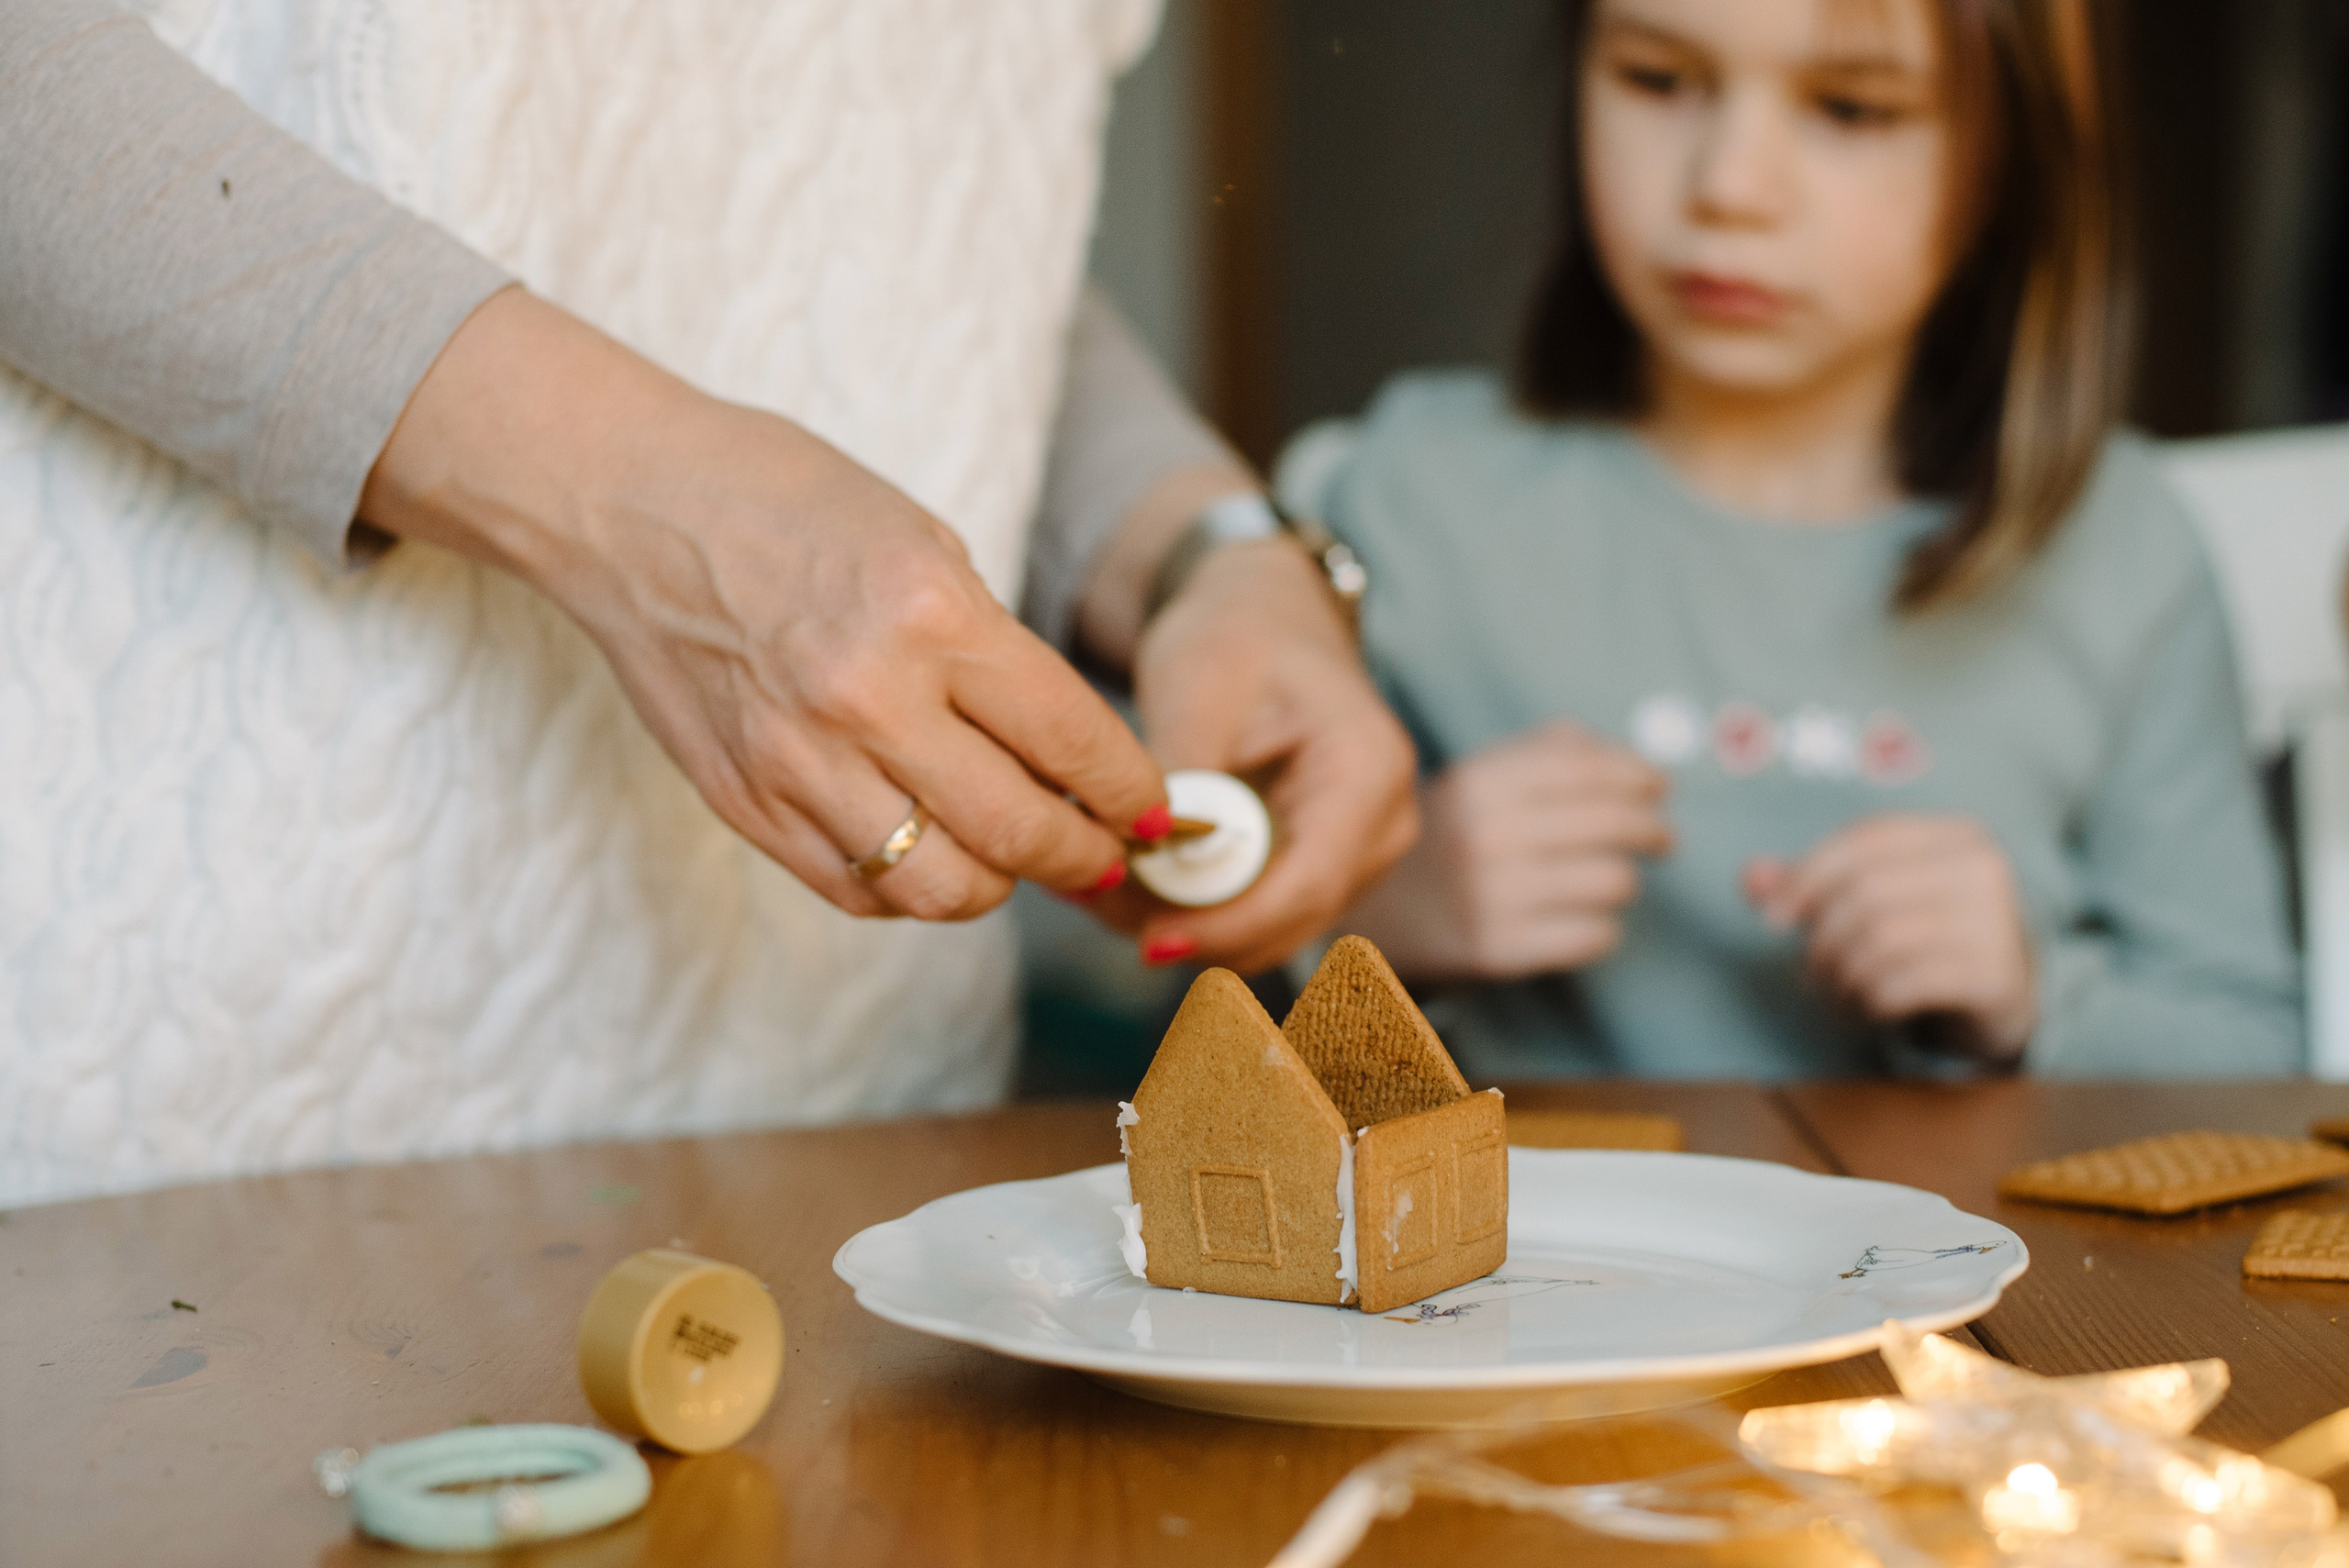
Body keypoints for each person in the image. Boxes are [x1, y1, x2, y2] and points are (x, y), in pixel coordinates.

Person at [0, 0, 1415, 1205]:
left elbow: (929, 196)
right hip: (183, 1010)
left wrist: (1203, 545)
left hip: (823, 1060)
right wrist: (631, 488)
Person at [1297, 0, 2300, 1079]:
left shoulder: (2119, 547)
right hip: (1514, 1241)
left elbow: (2249, 1046)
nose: (1729, 185)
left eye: (1850, 109)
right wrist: (1378, 920)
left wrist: (2033, 995)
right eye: (1659, 80)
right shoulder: (1413, 495)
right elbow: (1187, 1027)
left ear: (2009, 156)